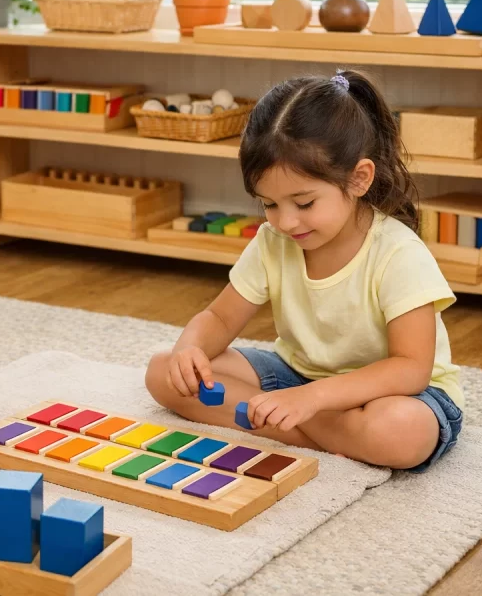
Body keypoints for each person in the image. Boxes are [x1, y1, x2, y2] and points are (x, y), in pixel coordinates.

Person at [145, 70, 463, 472]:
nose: (286, 221)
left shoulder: (398, 252)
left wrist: (312, 400)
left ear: (359, 179)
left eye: (304, 203)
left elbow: (410, 369)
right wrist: (190, 348)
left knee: (400, 431)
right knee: (164, 371)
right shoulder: (273, 241)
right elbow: (220, 318)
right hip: (297, 376)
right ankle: (322, 430)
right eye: (270, 204)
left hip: (393, 394)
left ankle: (284, 423)